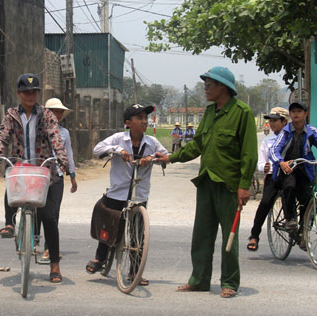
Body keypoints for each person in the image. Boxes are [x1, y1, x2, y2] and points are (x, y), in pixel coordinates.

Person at [155, 66, 257, 298]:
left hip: (229, 185)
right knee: (202, 235)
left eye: (209, 85)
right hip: (206, 183)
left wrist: (244, 185)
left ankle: (229, 282)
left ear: (223, 87)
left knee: (228, 237)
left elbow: (249, 153)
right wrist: (171, 157)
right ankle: (199, 280)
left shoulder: (242, 113)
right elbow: (197, 145)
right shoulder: (210, 113)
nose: (205, 89)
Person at [0, 73, 70, 284]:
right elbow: (2, 137)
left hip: (43, 171)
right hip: (21, 167)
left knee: (49, 219)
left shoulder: (47, 115)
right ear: (19, 93)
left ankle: (54, 265)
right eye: (26, 92)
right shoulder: (11, 115)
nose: (30, 95)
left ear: (38, 93)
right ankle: (10, 223)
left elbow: (55, 138)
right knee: (10, 184)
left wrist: (62, 159)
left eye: (34, 92)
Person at [86, 104, 167, 286]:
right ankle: (100, 258)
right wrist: (118, 150)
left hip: (139, 195)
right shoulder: (118, 138)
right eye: (139, 118)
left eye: (146, 118)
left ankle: (134, 271)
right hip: (118, 193)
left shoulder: (152, 142)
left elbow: (166, 156)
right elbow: (97, 149)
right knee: (108, 221)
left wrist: (151, 158)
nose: (144, 121)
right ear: (128, 123)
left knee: (138, 233)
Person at [269, 102, 317, 233]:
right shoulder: (285, 132)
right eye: (293, 111)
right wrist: (281, 162)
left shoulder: (312, 132)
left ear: (305, 114)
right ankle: (290, 218)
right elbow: (274, 150)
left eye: (299, 111)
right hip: (288, 169)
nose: (296, 114)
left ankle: (304, 231)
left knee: (310, 199)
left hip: (305, 169)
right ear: (290, 115)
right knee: (290, 186)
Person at [246, 107, 289, 252]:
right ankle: (254, 235)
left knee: (298, 199)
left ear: (284, 122)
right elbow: (260, 162)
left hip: (290, 175)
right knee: (265, 203)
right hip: (273, 176)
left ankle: (301, 232)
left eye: (275, 120)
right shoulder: (267, 140)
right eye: (270, 120)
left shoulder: (292, 137)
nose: (271, 123)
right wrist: (263, 167)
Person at [40, 98, 78, 262]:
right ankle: (31, 239)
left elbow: (68, 154)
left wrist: (73, 176)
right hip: (39, 175)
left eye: (61, 111)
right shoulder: (38, 130)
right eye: (56, 111)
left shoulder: (64, 133)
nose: (59, 114)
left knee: (54, 213)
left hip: (58, 176)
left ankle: (49, 248)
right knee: (36, 211)